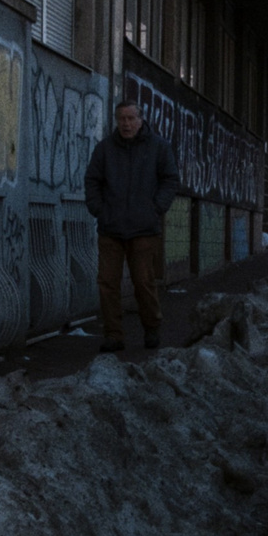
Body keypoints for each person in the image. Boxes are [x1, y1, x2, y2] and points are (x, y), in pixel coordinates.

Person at [83, 98, 178, 353]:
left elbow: (170, 180)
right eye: (121, 119)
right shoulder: (105, 149)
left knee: (143, 282)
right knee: (107, 283)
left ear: (141, 119)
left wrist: (155, 208)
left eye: (130, 118)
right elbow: (92, 181)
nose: (125, 124)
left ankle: (151, 328)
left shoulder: (158, 147)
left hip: (143, 229)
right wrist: (99, 210)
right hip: (110, 228)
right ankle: (114, 335)